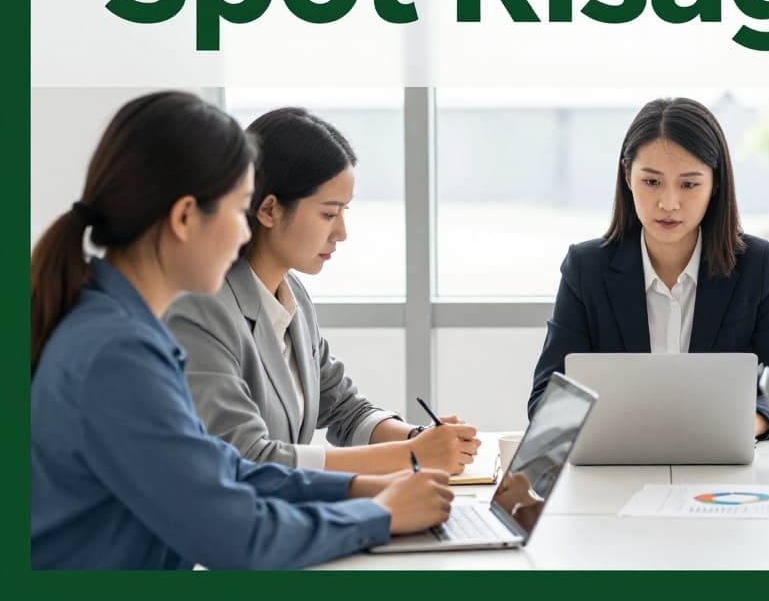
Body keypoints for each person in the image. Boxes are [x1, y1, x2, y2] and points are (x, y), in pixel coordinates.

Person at [30, 92, 455, 569]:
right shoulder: (117, 353)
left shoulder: (123, 329)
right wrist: (376, 515)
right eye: (238, 211)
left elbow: (221, 470)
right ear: (185, 217)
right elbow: (237, 538)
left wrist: (360, 488)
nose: (243, 231)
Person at [166, 108, 479, 474]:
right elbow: (246, 457)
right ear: (269, 209)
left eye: (345, 211)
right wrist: (412, 456)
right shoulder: (203, 308)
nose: (341, 232)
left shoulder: (292, 295)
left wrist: (420, 437)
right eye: (329, 214)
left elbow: (345, 409)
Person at [528, 97, 769, 438]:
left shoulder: (757, 266)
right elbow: (545, 401)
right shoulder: (586, 269)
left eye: (689, 184)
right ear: (627, 175)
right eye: (652, 182)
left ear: (715, 184)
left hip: (723, 469)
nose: (669, 203)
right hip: (618, 466)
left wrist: (742, 425)